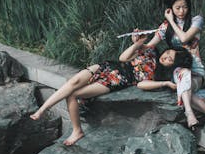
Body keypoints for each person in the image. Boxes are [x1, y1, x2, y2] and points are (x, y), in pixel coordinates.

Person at [29, 32, 193, 146]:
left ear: (173, 66)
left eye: (170, 59)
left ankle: (77, 131)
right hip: (109, 66)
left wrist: (164, 84)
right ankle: (43, 109)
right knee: (74, 81)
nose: (166, 56)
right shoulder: (151, 51)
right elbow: (123, 58)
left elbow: (141, 85)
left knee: (73, 94)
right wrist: (137, 43)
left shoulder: (158, 75)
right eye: (168, 53)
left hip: (117, 79)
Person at [145, 0, 205, 130]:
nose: (182, 11)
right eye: (177, 7)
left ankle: (190, 113)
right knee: (185, 87)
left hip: (195, 69)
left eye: (185, 7)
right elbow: (149, 46)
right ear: (170, 8)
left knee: (184, 86)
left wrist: (171, 20)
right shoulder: (165, 27)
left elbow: (184, 38)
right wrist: (138, 42)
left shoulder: (196, 21)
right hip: (175, 70)